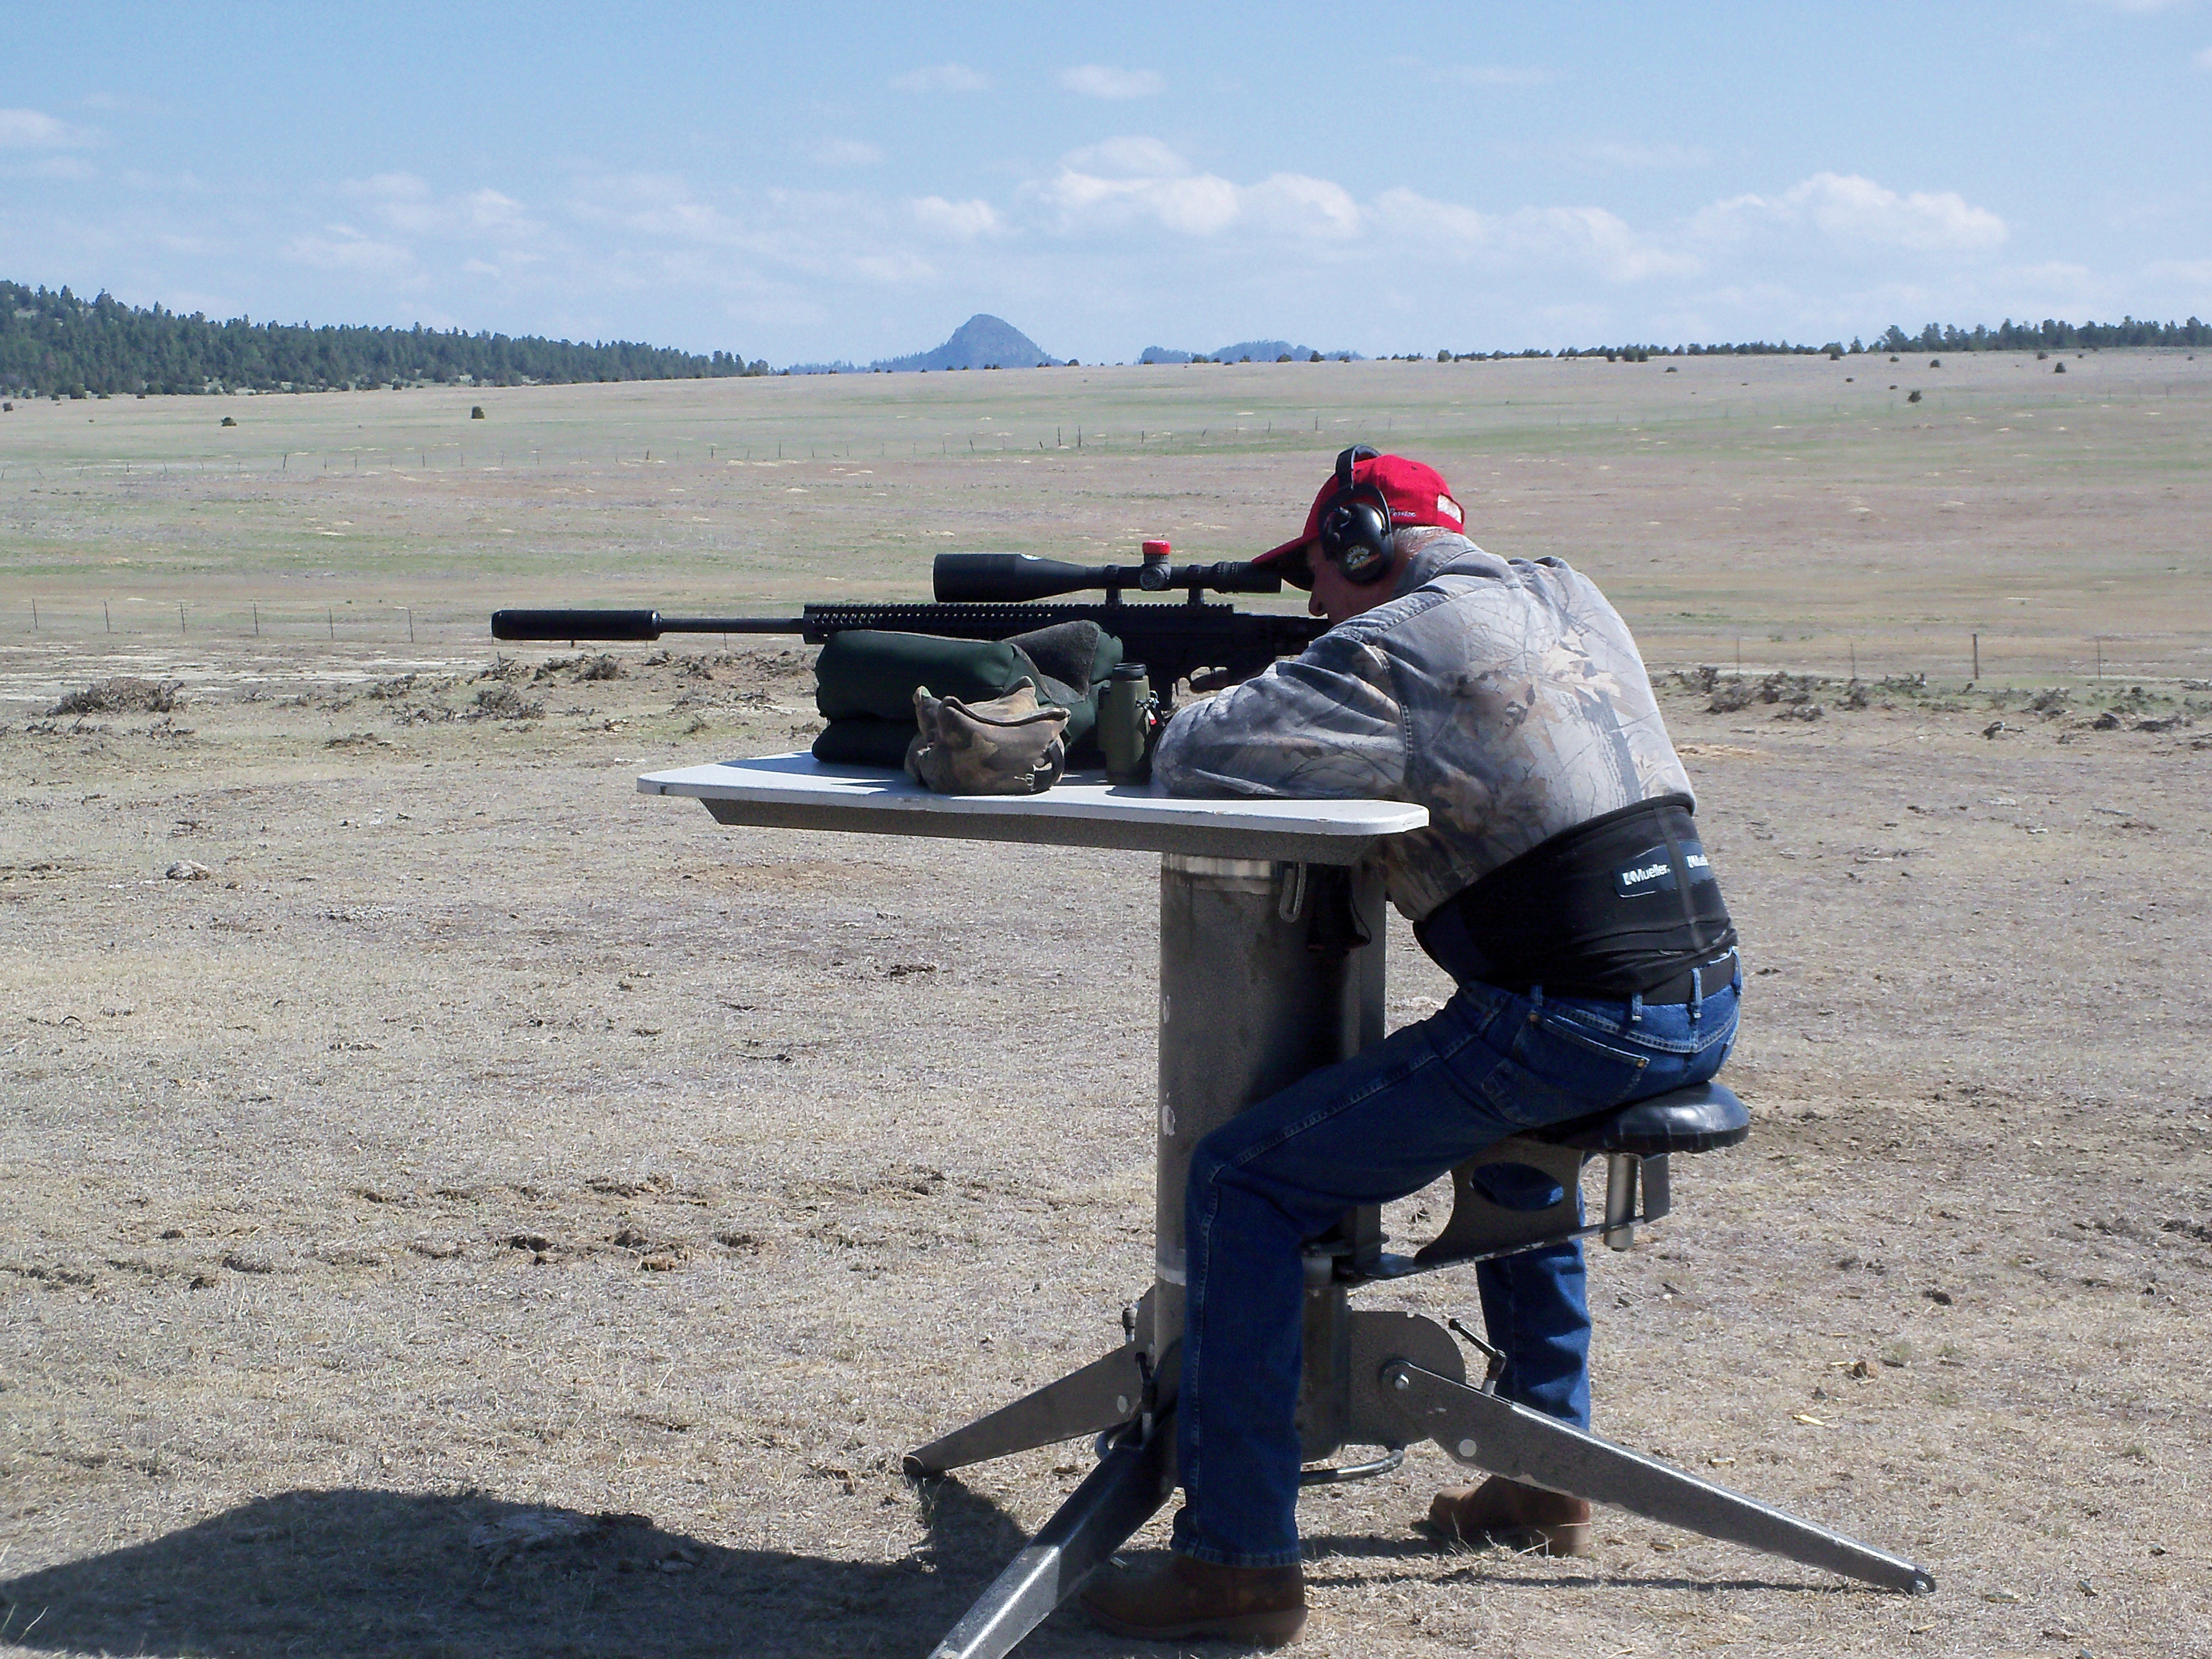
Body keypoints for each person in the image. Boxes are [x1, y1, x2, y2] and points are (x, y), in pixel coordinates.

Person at [1080, 448, 1742, 1645]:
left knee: (1239, 1182)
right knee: (1502, 1154)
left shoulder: (1390, 644)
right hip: (1696, 991)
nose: (1315, 608)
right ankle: (1545, 1464)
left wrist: (1198, 691)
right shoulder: (1563, 591)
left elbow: (1185, 755)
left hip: (1570, 1019)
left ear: (1363, 541)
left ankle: (1236, 1565)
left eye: (1319, 581)